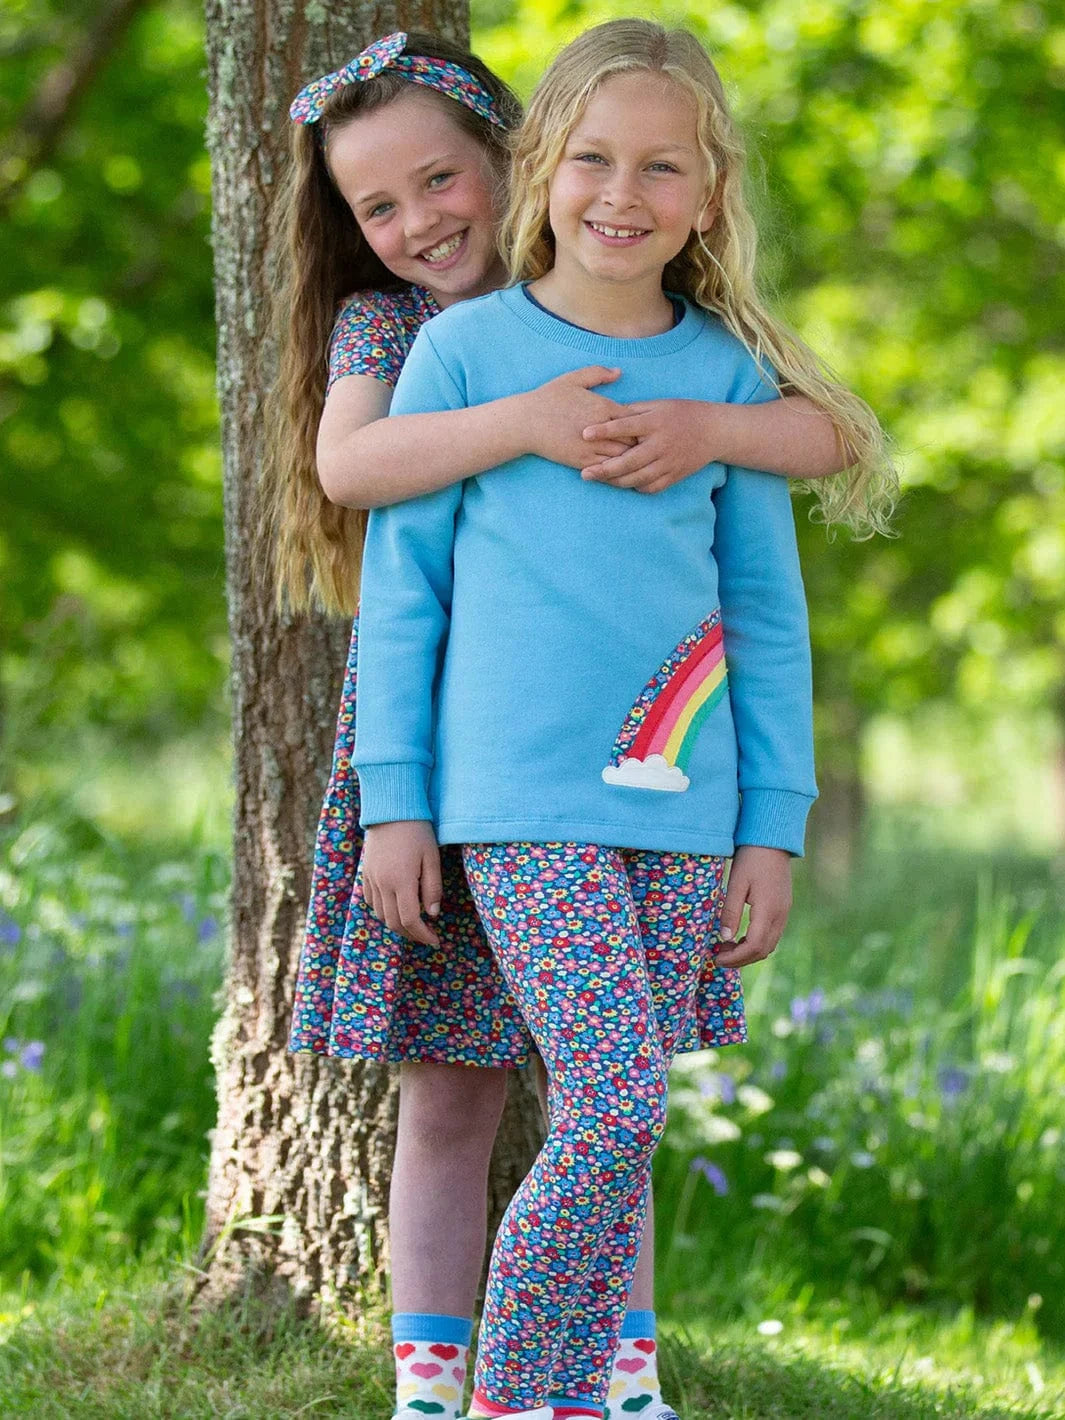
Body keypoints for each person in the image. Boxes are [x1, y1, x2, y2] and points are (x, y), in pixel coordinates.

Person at [267, 27, 885, 1420]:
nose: (420, 220)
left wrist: (770, 826)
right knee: (560, 1099)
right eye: (380, 203)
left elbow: (780, 569)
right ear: (553, 163)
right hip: (496, 790)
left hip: (676, 799)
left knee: (620, 1108)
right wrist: (401, 800)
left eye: (659, 166)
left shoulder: (714, 373)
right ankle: (490, 1392)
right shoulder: (448, 350)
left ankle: (616, 1378)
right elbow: (390, 563)